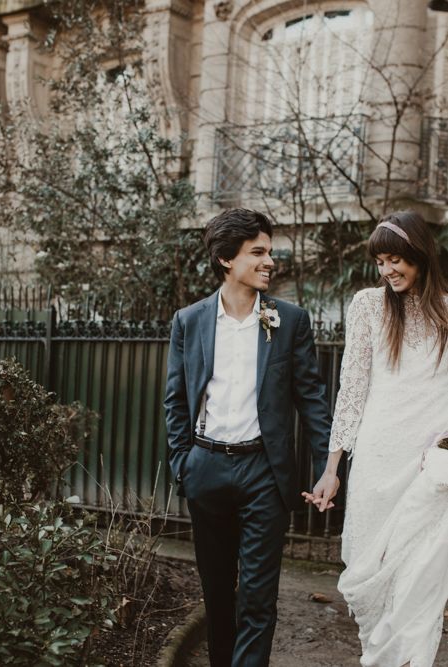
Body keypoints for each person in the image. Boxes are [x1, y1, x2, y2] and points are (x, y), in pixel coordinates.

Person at [164, 208, 338, 667]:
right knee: (218, 597)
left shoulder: (290, 320)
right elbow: (175, 400)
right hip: (207, 469)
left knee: (259, 600)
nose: (269, 262)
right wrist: (183, 464)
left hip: (265, 475)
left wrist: (327, 469)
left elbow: (313, 401)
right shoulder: (190, 321)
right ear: (226, 259)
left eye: (270, 252)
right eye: (257, 252)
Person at [309, 210, 448, 666]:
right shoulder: (368, 306)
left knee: (416, 582)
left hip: (428, 468)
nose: (388, 271)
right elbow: (353, 389)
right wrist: (332, 468)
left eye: (396, 260)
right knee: (370, 576)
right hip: (375, 460)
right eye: (381, 261)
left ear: (420, 256)